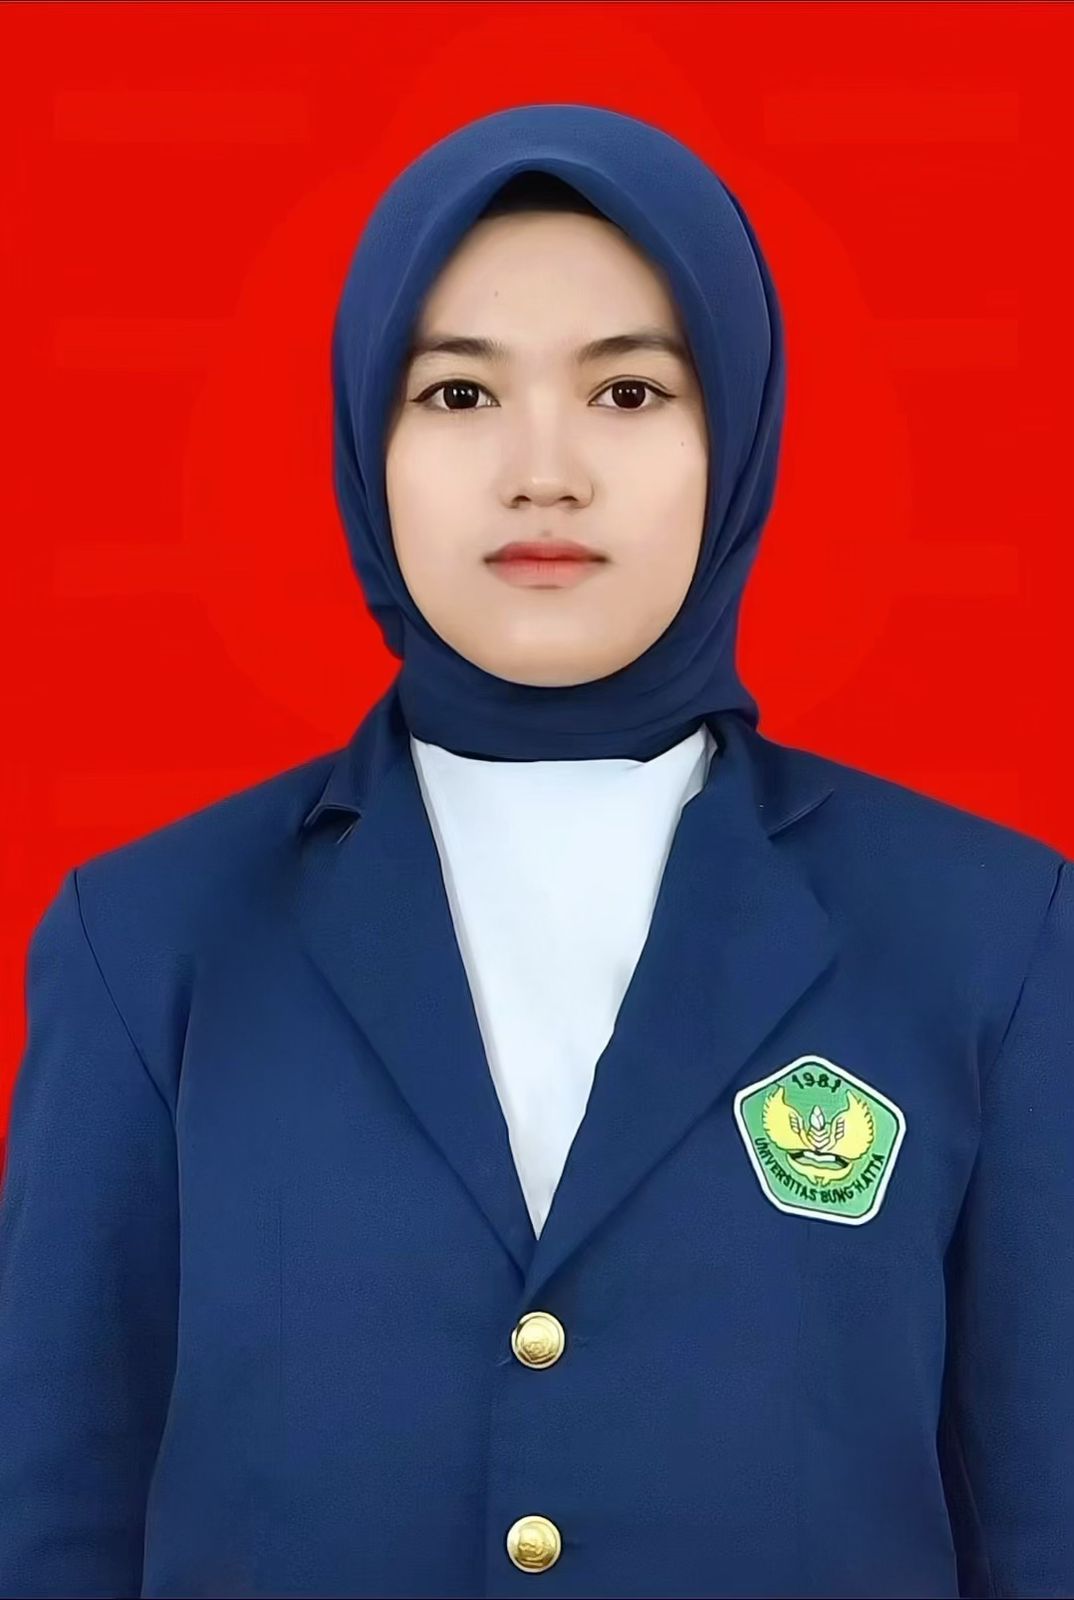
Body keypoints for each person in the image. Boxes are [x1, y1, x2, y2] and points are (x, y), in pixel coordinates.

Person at [0, 101, 1070, 1600]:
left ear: (737, 432)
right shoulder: (150, 940)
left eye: (628, 391)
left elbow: (1039, 1525)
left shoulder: (985, 935)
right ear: (366, 441)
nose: (543, 471)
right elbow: (54, 1524)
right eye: (458, 393)